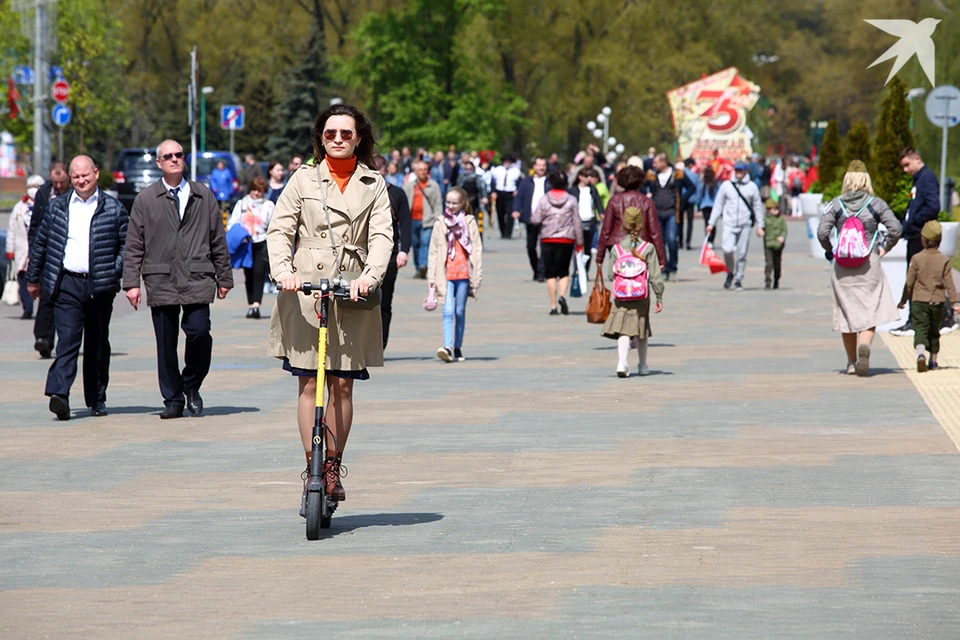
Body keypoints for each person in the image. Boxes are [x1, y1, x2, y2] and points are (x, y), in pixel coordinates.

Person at [266, 103, 393, 508]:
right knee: (309, 381)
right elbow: (280, 227)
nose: (338, 139)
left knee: (341, 384)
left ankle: (333, 467)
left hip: (351, 287)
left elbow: (383, 237)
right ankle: (312, 468)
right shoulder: (303, 178)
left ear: (359, 138)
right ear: (321, 137)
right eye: (330, 133)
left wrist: (369, 278)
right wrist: (283, 271)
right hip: (306, 288)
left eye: (346, 133)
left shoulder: (373, 183)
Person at [122, 139, 234, 419]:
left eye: (178, 155)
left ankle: (191, 384)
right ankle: (172, 399)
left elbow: (217, 239)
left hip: (197, 275)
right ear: (158, 162)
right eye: (167, 156)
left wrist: (224, 276)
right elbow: (134, 243)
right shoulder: (146, 199)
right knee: (166, 343)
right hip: (161, 277)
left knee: (199, 332)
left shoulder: (203, 195)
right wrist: (131, 282)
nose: (174, 159)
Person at [26, 156, 128, 420]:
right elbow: (41, 244)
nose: (81, 181)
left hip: (99, 286)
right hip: (67, 283)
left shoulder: (113, 208)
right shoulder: (58, 207)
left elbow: (127, 245)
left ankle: (96, 399)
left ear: (95, 173)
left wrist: (113, 271)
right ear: (70, 178)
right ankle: (60, 394)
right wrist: (34, 278)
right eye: (76, 177)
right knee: (68, 341)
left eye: (85, 175)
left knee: (96, 344)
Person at [817, 161, 901, 377]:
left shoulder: (835, 204)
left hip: (842, 266)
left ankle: (852, 361)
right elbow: (896, 229)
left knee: (846, 313)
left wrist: (831, 250)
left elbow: (822, 232)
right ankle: (865, 345)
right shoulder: (877, 204)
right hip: (868, 263)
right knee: (869, 309)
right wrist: (884, 248)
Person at [601, 205, 664, 377]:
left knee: (624, 330)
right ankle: (643, 365)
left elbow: (610, 275)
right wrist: (659, 296)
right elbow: (655, 276)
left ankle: (622, 363)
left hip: (622, 296)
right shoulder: (648, 248)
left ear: (624, 225)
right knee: (641, 329)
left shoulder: (616, 249)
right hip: (641, 296)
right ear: (641, 225)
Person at [427, 186, 483, 362]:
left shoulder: (470, 222)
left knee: (459, 311)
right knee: (448, 310)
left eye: (454, 203)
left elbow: (477, 249)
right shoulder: (440, 222)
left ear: (462, 203)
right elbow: (433, 251)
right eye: (448, 202)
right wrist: (431, 277)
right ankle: (447, 347)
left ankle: (458, 346)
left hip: (464, 273)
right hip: (446, 273)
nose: (450, 206)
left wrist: (478, 275)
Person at [898, 221, 960, 372]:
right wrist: (954, 303)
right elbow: (949, 283)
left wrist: (903, 300)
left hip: (920, 300)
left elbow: (909, 283)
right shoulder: (943, 260)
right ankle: (933, 360)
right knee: (934, 330)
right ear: (940, 241)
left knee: (920, 328)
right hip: (937, 300)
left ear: (923, 239)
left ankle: (920, 355)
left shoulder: (916, 259)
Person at [892, 148, 942, 337]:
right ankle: (915, 320)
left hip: (920, 236)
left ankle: (919, 321)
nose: (905, 170)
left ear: (917, 159)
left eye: (907, 165)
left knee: (918, 279)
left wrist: (912, 221)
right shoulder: (918, 179)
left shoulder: (926, 178)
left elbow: (933, 207)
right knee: (916, 278)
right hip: (914, 235)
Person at [28, 161, 70, 358]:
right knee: (47, 296)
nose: (59, 186)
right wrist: (33, 252)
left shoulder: (76, 193)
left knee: (66, 299)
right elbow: (34, 226)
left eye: (62, 182)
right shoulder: (43, 193)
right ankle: (43, 338)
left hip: (70, 254)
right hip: (48, 254)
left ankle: (64, 340)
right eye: (56, 182)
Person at [705, 161, 765, 291]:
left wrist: (761, 225)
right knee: (727, 250)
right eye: (736, 170)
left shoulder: (752, 187)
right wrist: (711, 223)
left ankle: (738, 278)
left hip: (745, 224)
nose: (738, 173)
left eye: (741, 170)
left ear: (745, 171)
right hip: (729, 223)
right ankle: (730, 272)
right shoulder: (726, 186)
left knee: (742, 253)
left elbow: (757, 206)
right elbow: (718, 205)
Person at [531, 172, 583, 315]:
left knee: (550, 273)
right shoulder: (572, 200)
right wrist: (580, 242)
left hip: (548, 239)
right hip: (567, 239)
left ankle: (553, 306)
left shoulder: (544, 200)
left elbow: (535, 219)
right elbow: (577, 222)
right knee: (564, 271)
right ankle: (563, 296)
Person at [375, 155, 412, 349]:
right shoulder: (361, 193)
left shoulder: (397, 194)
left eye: (379, 172)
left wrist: (404, 251)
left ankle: (380, 345)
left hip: (389, 255)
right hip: (363, 255)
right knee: (362, 302)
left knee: (384, 302)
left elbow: (406, 225)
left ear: (386, 172)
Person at [597, 165, 665, 269]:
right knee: (640, 276)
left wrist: (599, 257)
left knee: (620, 277)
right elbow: (654, 232)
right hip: (641, 245)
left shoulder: (614, 201)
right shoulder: (647, 202)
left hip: (617, 246)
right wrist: (661, 260)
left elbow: (605, 231)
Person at [227, 176, 275, 319]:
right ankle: (250, 305)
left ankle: (256, 305)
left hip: (261, 242)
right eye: (254, 190)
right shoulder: (242, 204)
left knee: (259, 273)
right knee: (248, 275)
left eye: (259, 191)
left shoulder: (269, 205)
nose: (256, 193)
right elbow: (232, 223)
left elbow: (273, 224)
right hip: (245, 244)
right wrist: (241, 235)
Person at [646, 153, 693, 280]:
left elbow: (691, 187)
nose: (653, 165)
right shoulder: (652, 176)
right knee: (659, 242)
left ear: (663, 162)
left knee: (672, 240)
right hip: (657, 213)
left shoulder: (677, 174)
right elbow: (643, 187)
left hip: (672, 212)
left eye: (656, 162)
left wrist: (682, 202)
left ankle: (673, 268)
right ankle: (664, 268)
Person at [6, 175, 44, 319]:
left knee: (40, 282)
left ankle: (43, 310)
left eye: (36, 186)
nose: (33, 190)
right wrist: (10, 250)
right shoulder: (19, 207)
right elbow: (12, 230)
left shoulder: (47, 204)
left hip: (39, 250)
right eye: (30, 187)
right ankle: (27, 309)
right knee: (23, 281)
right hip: (22, 250)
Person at [403, 160, 442, 279]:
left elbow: (438, 204)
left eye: (425, 170)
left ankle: (423, 265)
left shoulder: (433, 185)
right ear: (415, 171)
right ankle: (418, 268)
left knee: (425, 243)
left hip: (428, 220)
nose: (423, 172)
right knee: (415, 245)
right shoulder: (409, 185)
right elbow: (403, 203)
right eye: (420, 170)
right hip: (412, 220)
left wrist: (438, 219)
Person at [512, 156, 549, 281]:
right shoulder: (526, 181)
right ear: (534, 167)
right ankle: (536, 269)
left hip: (547, 219)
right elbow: (519, 197)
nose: (541, 168)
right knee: (530, 246)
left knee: (545, 246)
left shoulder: (549, 181)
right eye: (539, 165)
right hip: (531, 218)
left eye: (543, 165)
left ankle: (542, 272)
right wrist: (516, 210)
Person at [568, 167, 603, 274]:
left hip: (590, 220)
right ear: (580, 177)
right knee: (577, 248)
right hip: (577, 221)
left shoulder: (592, 189)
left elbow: (598, 203)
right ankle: (577, 270)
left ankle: (585, 271)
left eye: (590, 176)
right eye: (586, 176)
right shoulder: (573, 190)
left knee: (587, 248)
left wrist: (602, 213)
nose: (589, 179)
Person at [490, 156, 522, 238]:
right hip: (499, 192)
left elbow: (519, 182)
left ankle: (508, 233)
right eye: (505, 161)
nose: (507, 163)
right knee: (500, 213)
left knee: (510, 214)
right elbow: (493, 182)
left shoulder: (516, 171)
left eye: (508, 161)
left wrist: (517, 190)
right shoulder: (497, 170)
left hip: (510, 193)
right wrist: (493, 191)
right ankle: (502, 231)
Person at [457, 160, 489, 238]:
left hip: (476, 203)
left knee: (477, 223)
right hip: (464, 203)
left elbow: (483, 188)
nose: (468, 170)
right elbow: (458, 189)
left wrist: (484, 197)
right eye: (467, 169)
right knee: (464, 223)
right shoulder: (461, 177)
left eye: (470, 169)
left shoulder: (478, 177)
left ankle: (478, 240)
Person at [763, 198, 787, 290]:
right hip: (768, 245)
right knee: (769, 264)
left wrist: (782, 237)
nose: (776, 211)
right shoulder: (765, 220)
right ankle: (768, 282)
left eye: (777, 209)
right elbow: (761, 228)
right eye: (774, 209)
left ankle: (776, 280)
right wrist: (760, 230)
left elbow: (784, 230)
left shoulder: (780, 219)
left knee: (777, 265)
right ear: (768, 210)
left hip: (778, 245)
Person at [695, 166, 719, 244]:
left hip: (704, 205)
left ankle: (708, 239)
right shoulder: (715, 183)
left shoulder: (702, 183)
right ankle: (711, 240)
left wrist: (698, 205)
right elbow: (718, 196)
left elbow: (699, 195)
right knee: (713, 223)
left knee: (707, 223)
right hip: (713, 206)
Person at [679, 158, 700, 250]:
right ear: (691, 165)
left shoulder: (679, 174)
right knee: (690, 222)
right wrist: (698, 203)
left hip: (681, 200)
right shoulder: (694, 175)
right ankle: (688, 242)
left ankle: (680, 241)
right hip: (691, 200)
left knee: (680, 221)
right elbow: (697, 189)